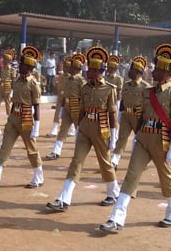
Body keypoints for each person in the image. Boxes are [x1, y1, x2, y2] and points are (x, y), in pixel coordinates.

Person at [99, 43, 171, 233]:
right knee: (131, 176)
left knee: (166, 178)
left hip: (162, 140)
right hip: (144, 138)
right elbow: (141, 117)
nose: (152, 71)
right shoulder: (147, 92)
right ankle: (116, 218)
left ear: (166, 72)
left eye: (157, 69)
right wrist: (137, 136)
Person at [46, 46, 120, 211]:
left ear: (100, 71)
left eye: (92, 70)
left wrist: (114, 136)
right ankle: (64, 198)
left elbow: (112, 115)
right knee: (76, 161)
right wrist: (79, 128)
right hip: (85, 127)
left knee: (105, 163)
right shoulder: (85, 88)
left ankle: (113, 193)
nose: (88, 71)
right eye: (88, 69)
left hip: (102, 129)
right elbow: (81, 110)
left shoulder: (109, 89)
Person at [0, 46, 43, 190]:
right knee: (4, 148)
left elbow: (36, 107)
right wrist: (10, 118)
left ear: (29, 66)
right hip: (13, 118)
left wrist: (36, 127)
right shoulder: (17, 81)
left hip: (26, 120)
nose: (19, 66)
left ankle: (38, 176)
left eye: (22, 64)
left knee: (32, 150)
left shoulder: (34, 84)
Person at [111, 56, 150, 170]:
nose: (129, 72)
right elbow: (123, 100)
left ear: (138, 72)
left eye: (132, 70)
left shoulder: (146, 87)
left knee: (141, 140)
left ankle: (141, 161)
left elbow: (148, 105)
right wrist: (120, 113)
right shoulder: (126, 85)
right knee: (122, 138)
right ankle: (114, 161)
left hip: (139, 117)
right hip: (126, 116)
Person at [45, 53, 86, 160]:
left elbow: (84, 96)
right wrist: (63, 107)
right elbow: (64, 94)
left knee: (80, 130)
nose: (69, 68)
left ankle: (80, 152)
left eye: (72, 67)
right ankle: (56, 151)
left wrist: (82, 110)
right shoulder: (67, 78)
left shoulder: (80, 81)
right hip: (67, 107)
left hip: (77, 107)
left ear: (76, 68)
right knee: (63, 130)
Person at [0, 48, 17, 115]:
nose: (3, 60)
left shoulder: (12, 69)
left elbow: (13, 80)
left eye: (5, 59)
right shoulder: (2, 68)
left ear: (8, 60)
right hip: (1, 85)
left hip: (8, 86)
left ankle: (9, 118)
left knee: (7, 103)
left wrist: (12, 91)